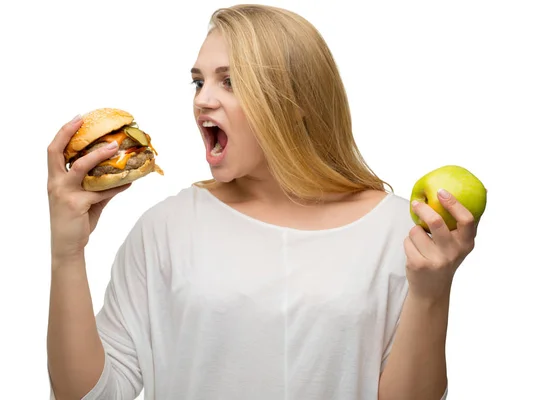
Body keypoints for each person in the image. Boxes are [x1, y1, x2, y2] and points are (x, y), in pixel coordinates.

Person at [46, 4, 478, 400]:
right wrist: (67, 254)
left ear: (297, 103)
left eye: (230, 81)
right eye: (199, 81)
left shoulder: (398, 232)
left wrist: (431, 292)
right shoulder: (168, 228)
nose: (202, 99)